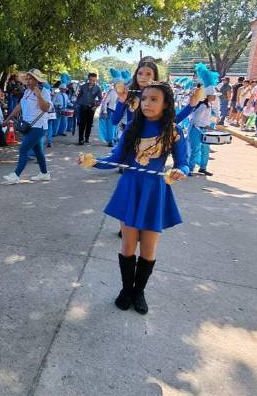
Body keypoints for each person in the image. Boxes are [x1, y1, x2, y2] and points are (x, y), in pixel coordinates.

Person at [77, 82, 188, 314]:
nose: (147, 103)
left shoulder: (174, 131)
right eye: (145, 98)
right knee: (128, 245)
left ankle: (139, 292)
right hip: (130, 189)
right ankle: (126, 290)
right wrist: (93, 161)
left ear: (166, 103)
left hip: (155, 192)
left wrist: (180, 172)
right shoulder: (133, 128)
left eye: (154, 99)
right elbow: (116, 157)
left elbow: (183, 163)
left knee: (148, 248)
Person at [3, 69, 52, 184]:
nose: (28, 81)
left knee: (23, 149)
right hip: (28, 126)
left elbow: (46, 108)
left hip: (38, 127)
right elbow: (19, 106)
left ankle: (16, 175)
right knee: (38, 151)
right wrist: (8, 118)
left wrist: (39, 96)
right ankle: (44, 174)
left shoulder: (44, 92)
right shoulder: (26, 92)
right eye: (28, 78)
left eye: (31, 79)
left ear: (37, 80)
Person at [188, 88, 217, 176]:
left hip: (204, 130)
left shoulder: (208, 105)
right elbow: (197, 120)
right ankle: (190, 169)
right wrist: (207, 126)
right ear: (208, 96)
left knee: (205, 149)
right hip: (197, 129)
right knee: (195, 149)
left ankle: (203, 168)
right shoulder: (203, 106)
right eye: (214, 95)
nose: (215, 97)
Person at [75, 73, 102, 145]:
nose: (92, 81)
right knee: (81, 124)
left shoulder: (98, 88)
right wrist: (76, 104)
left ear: (96, 80)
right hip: (82, 107)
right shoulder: (83, 86)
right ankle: (81, 139)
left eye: (94, 80)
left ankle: (87, 138)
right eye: (90, 80)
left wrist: (96, 106)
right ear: (88, 79)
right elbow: (79, 96)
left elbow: (100, 99)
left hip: (91, 108)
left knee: (89, 124)